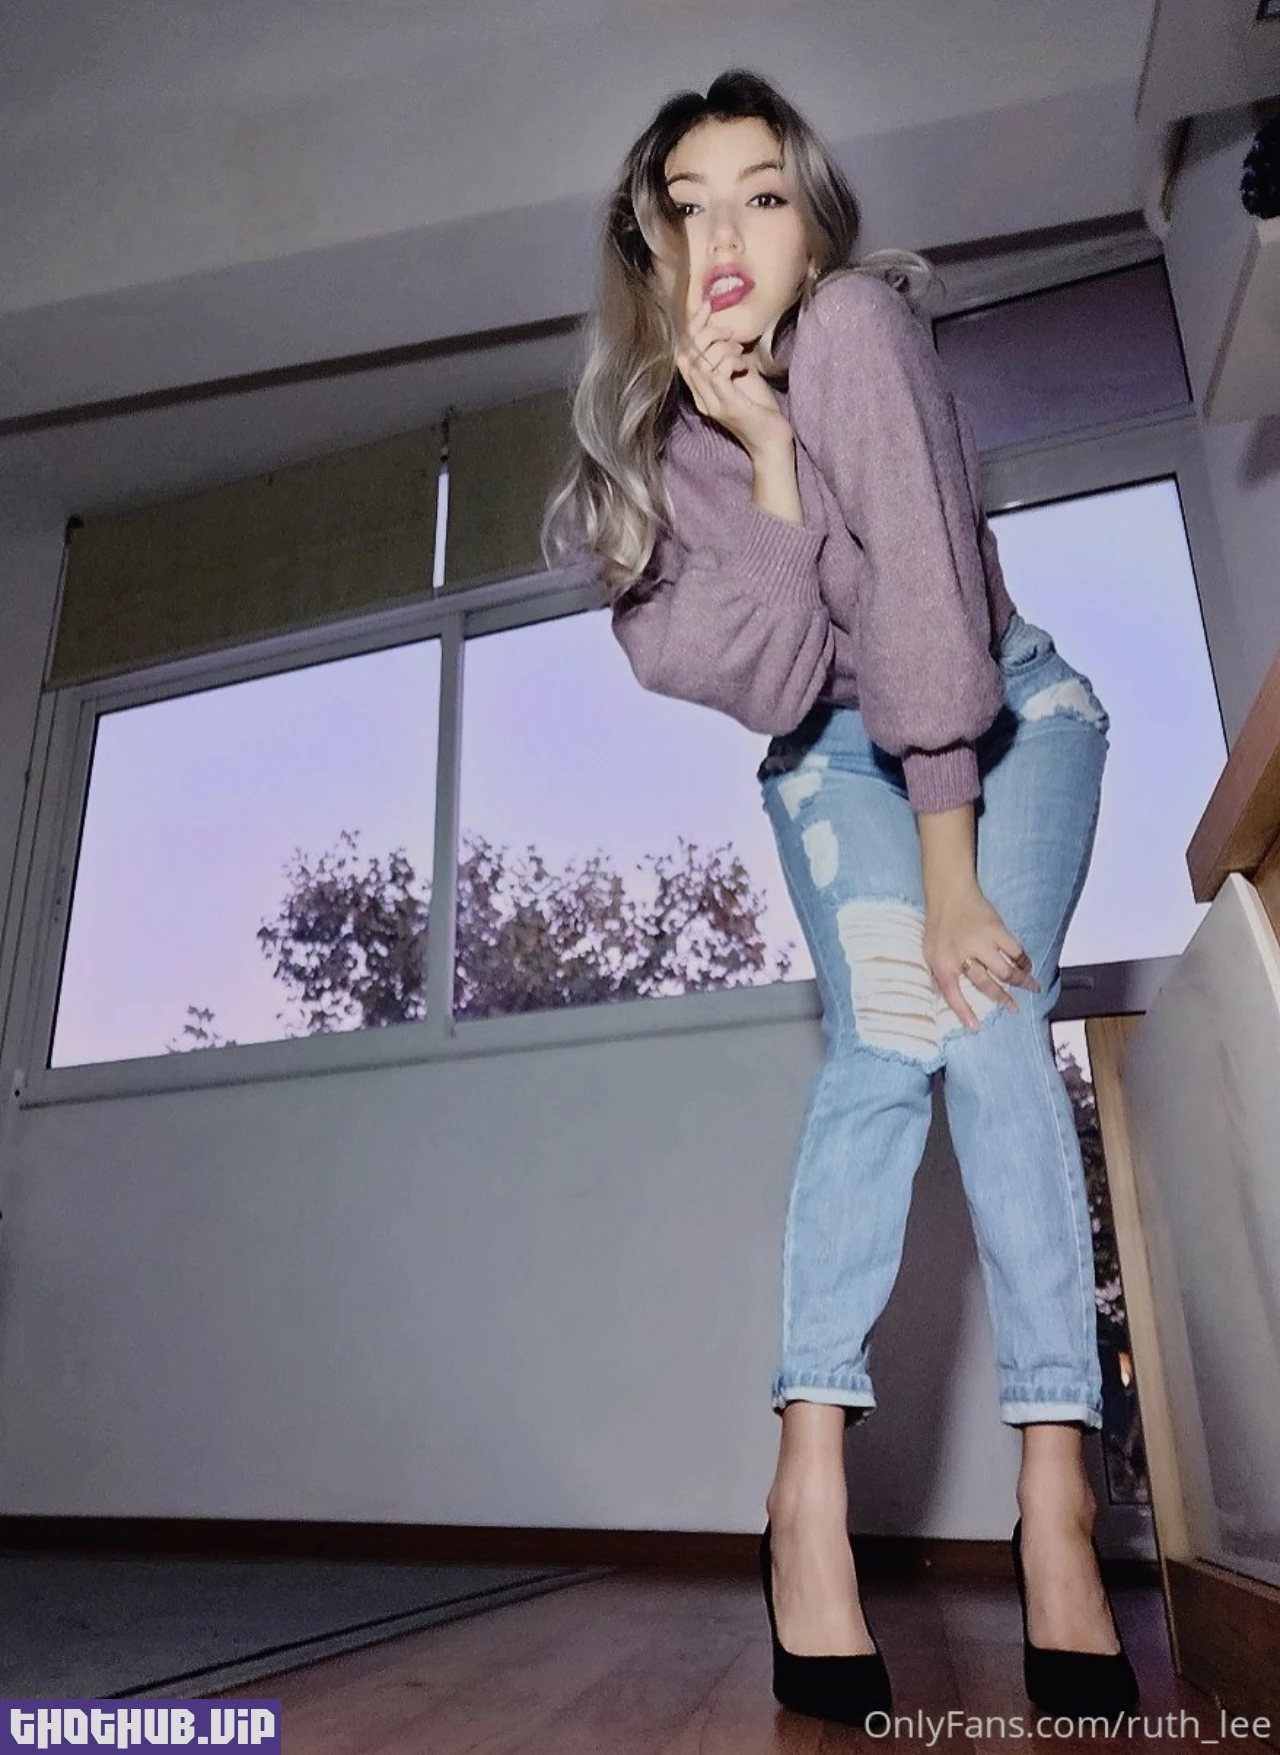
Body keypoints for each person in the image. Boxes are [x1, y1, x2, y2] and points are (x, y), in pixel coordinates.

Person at [542, 68, 1138, 1727]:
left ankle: (1057, 1497)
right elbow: (783, 676)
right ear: (650, 252)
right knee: (889, 1041)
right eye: (688, 207)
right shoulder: (646, 484)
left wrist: (949, 862)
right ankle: (808, 1486)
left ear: (813, 229)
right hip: (832, 757)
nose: (727, 234)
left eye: (764, 194)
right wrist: (765, 458)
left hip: (1008, 719)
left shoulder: (863, 328)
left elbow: (929, 610)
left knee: (991, 1022)